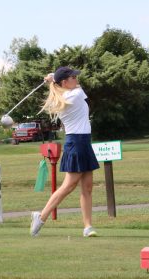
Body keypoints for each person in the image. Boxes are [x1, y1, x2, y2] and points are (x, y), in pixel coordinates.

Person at [30, 66, 100, 237]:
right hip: (76, 142)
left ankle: (87, 226)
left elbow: (64, 87)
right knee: (69, 186)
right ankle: (41, 216)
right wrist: (53, 78)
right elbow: (79, 88)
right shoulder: (74, 94)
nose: (76, 79)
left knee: (87, 187)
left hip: (83, 142)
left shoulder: (62, 96)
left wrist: (52, 79)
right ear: (64, 82)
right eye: (73, 77)